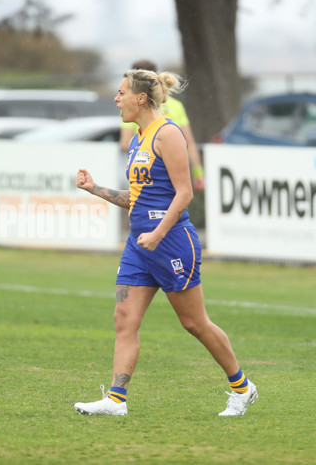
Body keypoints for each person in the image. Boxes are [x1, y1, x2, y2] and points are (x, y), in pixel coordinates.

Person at [73, 69, 257, 416]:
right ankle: (116, 400)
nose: (116, 99)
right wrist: (94, 189)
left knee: (194, 323)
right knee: (124, 318)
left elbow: (184, 194)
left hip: (171, 241)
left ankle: (242, 387)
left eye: (121, 93)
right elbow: (137, 198)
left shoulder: (167, 134)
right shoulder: (139, 138)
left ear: (140, 98)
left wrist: (158, 233)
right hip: (139, 245)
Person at [119, 59, 205, 192]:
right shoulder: (176, 105)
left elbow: (125, 143)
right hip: (175, 170)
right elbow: (190, 142)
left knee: (172, 201)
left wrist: (145, 152)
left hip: (147, 173)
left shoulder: (133, 105)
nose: (117, 99)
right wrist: (198, 173)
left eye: (123, 92)